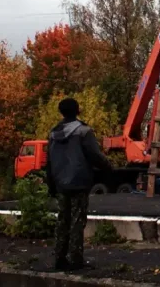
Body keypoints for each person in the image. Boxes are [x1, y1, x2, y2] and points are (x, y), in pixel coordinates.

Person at [46, 97, 113, 271]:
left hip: (60, 182)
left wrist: (51, 184)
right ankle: (75, 259)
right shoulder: (83, 131)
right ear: (78, 111)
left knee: (62, 220)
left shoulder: (53, 133)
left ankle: (59, 258)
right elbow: (94, 155)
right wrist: (108, 168)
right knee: (77, 221)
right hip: (79, 182)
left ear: (61, 112)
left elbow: (49, 162)